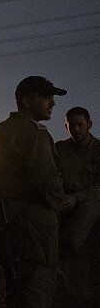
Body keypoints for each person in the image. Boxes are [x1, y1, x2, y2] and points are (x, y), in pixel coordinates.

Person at [0, 76, 74, 308]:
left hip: (9, 221)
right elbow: (47, 181)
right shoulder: (32, 134)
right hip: (34, 223)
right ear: (26, 100)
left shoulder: (0, 132)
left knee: (17, 288)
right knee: (36, 287)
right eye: (46, 97)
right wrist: (60, 199)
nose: (52, 102)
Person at [55, 107, 100, 255]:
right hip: (64, 198)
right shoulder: (59, 149)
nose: (76, 129)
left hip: (90, 200)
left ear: (89, 124)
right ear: (66, 127)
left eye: (80, 124)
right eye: (71, 125)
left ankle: (67, 248)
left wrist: (76, 198)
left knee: (89, 209)